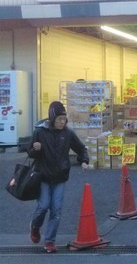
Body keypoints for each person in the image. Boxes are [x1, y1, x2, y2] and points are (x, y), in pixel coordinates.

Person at [27, 101, 89, 254]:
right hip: (43, 176)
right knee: (43, 206)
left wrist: (84, 160)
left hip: (60, 177)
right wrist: (35, 149)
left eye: (64, 119)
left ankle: (49, 241)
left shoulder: (68, 133)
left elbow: (81, 148)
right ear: (52, 117)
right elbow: (30, 152)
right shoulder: (40, 132)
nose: (62, 122)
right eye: (59, 119)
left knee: (57, 210)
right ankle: (35, 228)